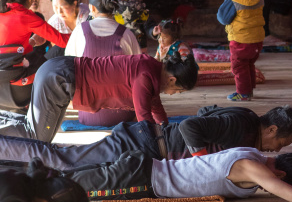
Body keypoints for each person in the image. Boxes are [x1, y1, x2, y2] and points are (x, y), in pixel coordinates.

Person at [18, 147, 292, 202]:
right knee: (59, 189)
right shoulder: (253, 169)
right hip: (140, 179)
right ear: (279, 171)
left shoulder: (257, 156)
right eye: (280, 179)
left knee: (56, 177)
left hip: (141, 168)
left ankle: (14, 177)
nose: (274, 186)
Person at [0, 103, 292, 169]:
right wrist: (201, 162)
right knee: (62, 160)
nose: (277, 149)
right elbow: (189, 127)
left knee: (63, 159)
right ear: (272, 129)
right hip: (141, 141)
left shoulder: (246, 123)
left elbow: (206, 112)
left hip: (144, 139)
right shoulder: (243, 127)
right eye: (282, 144)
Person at [0, 51, 199, 142]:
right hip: (60, 79)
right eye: (178, 91)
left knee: (34, 128)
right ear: (172, 80)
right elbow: (143, 118)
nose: (173, 94)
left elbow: (155, 106)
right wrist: (160, 146)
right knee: (37, 138)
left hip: (59, 72)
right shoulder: (146, 75)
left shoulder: (151, 68)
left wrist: (167, 129)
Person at [65, 0, 141, 127]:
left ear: (92, 8)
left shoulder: (80, 31)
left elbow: (68, 66)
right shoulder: (126, 34)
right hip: (123, 115)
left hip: (88, 115)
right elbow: (139, 73)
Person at [0, 0, 70, 110]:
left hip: (3, 89)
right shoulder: (27, 16)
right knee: (59, 55)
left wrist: (31, 42)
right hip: (18, 90)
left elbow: (9, 48)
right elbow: (63, 42)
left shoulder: (3, 10)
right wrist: (84, 29)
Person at [217, 0, 265, 102]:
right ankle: (249, 89)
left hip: (240, 40)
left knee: (239, 66)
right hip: (257, 39)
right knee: (249, 63)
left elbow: (223, 18)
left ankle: (243, 93)